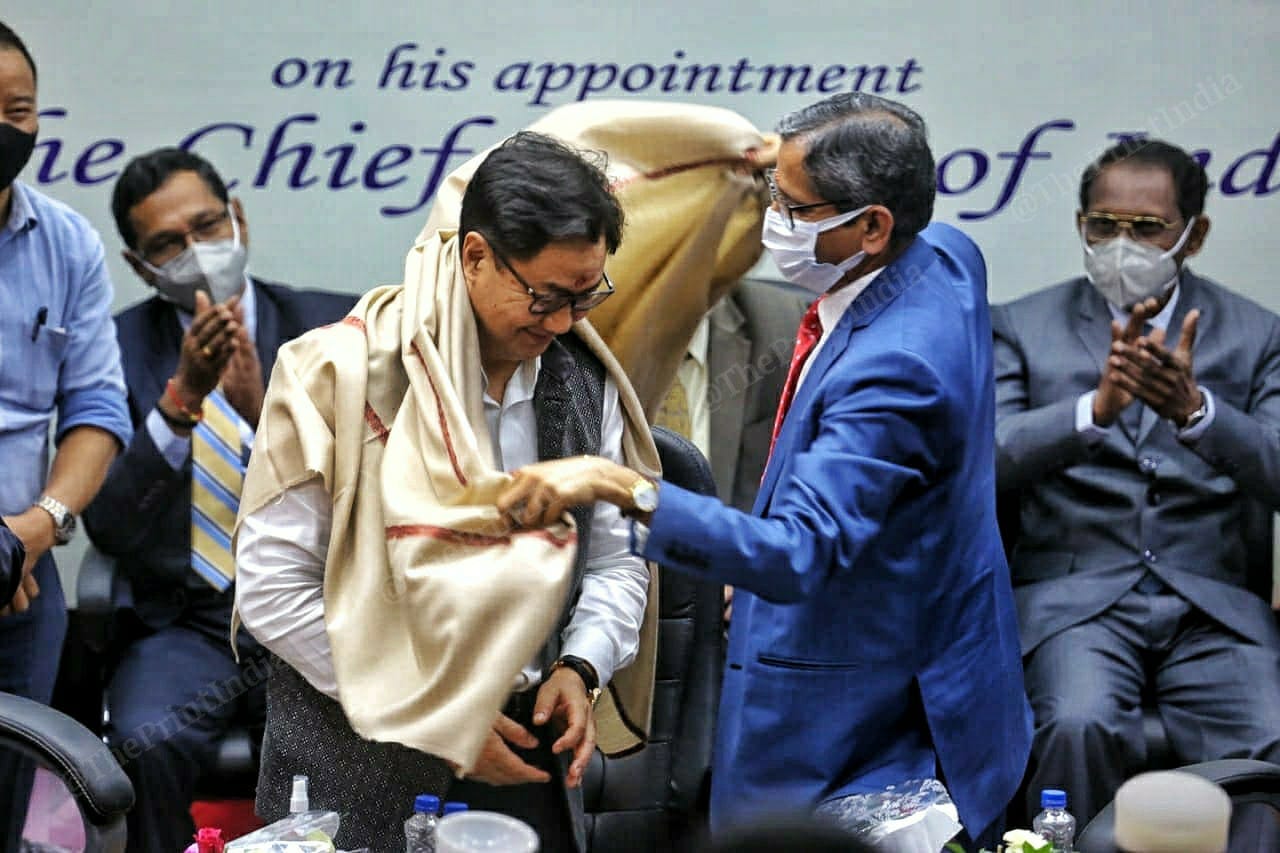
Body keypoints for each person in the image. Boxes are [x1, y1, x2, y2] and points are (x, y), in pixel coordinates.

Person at [493, 92, 1032, 847]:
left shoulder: (892, 372)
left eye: (793, 204)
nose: (771, 214)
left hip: (858, 719)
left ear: (874, 225)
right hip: (938, 645)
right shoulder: (945, 257)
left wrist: (620, 485)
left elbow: (795, 553)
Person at [234, 131, 659, 853]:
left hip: (521, 759)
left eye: (586, 296)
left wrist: (580, 663)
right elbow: (274, 592)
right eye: (545, 296)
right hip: (351, 769)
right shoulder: (336, 375)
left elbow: (617, 559)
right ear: (475, 257)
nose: (561, 323)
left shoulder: (585, 380)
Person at [992, 138, 1280, 825]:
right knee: (1074, 724)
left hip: (1213, 605)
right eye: (1103, 225)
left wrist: (1198, 412)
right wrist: (1092, 412)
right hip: (1076, 602)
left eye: (1147, 228)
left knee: (1267, 736)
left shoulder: (1257, 332)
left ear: (1194, 233)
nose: (1122, 243)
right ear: (1080, 224)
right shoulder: (1019, 324)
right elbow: (986, 463)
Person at [80, 147, 356, 853]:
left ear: (238, 219)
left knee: (350, 737)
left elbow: (369, 497)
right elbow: (108, 525)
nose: (197, 252)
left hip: (308, 610)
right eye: (168, 244)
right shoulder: (113, 347)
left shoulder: (333, 329)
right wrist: (182, 400)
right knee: (144, 741)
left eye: (207, 226)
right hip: (188, 624)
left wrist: (262, 410)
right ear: (141, 266)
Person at [0, 21, 132, 845]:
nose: (5, 128)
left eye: (19, 109)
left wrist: (34, 530)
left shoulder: (68, 242)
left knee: (8, 800)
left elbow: (95, 411)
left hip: (23, 583)